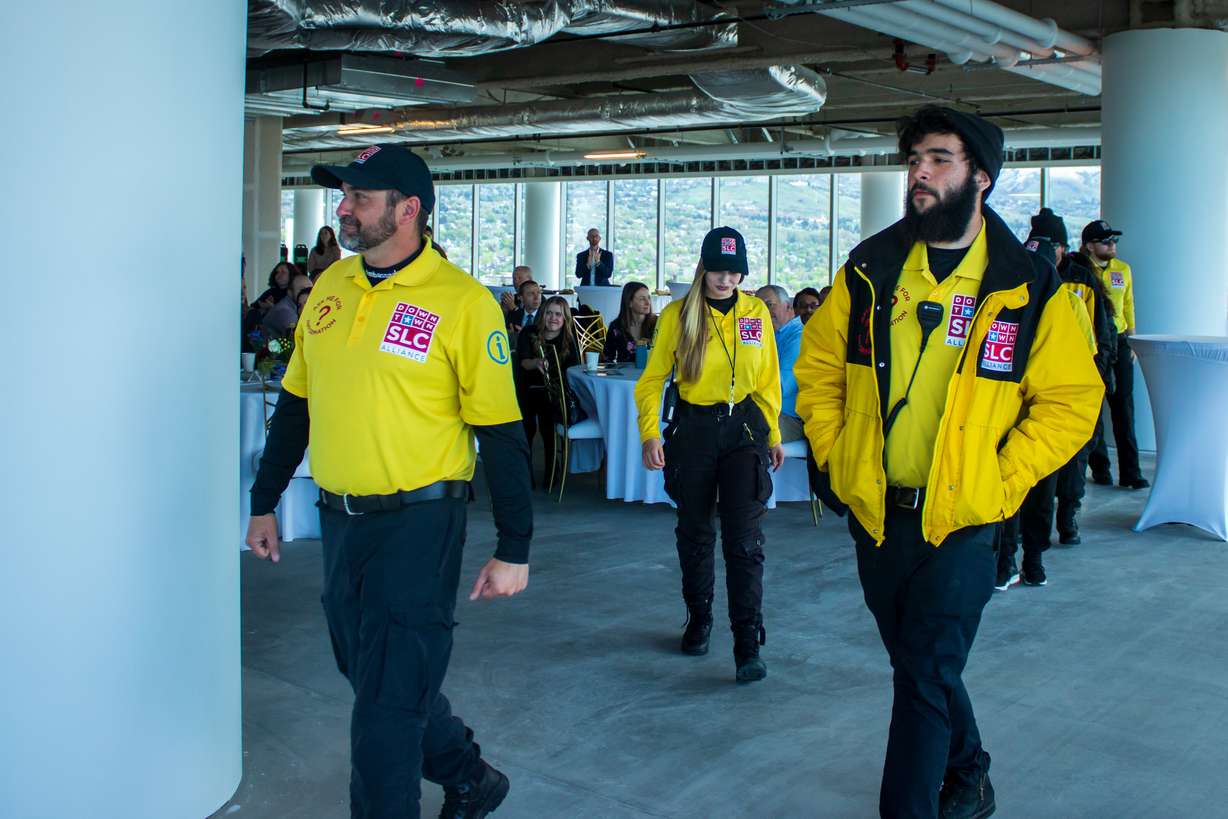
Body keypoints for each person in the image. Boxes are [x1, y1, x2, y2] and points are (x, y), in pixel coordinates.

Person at [794, 106, 1103, 818]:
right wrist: (839, 455)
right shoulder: (871, 268)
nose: (920, 174)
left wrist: (1002, 476)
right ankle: (971, 769)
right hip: (877, 513)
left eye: (938, 160)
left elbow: (1070, 403)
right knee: (919, 667)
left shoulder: (1028, 286)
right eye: (914, 161)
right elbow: (817, 370)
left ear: (981, 178)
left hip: (963, 519)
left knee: (924, 674)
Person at [245, 143, 531, 819]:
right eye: (343, 195)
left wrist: (514, 545)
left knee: (382, 714)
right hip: (342, 521)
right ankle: (469, 773)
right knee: (374, 675)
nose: (342, 208)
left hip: (420, 523)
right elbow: (298, 403)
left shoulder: (462, 303)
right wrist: (264, 501)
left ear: (408, 210)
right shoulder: (334, 289)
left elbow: (502, 433)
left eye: (359, 198)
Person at [636, 226, 784, 684]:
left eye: (734, 272)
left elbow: (768, 377)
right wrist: (649, 434)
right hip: (694, 431)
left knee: (744, 541)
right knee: (696, 534)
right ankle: (699, 618)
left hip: (744, 431)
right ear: (703, 269)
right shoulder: (679, 316)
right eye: (718, 271)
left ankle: (746, 644)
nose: (726, 280)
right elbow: (651, 380)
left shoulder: (756, 312)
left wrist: (774, 431)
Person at [1082, 220, 1149, 490]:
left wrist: (1132, 338)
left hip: (1119, 342)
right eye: (1106, 242)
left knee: (1123, 407)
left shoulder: (1123, 269)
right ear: (1089, 246)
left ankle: (1131, 472)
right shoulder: (1081, 272)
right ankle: (1100, 468)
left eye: (1114, 241)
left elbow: (1129, 303)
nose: (1112, 246)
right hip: (1093, 346)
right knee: (1094, 409)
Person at [516, 296, 582, 486]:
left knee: (548, 425)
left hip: (554, 391)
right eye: (550, 313)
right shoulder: (529, 332)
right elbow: (524, 362)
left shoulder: (569, 340)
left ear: (565, 318)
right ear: (543, 315)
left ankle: (552, 469)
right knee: (526, 427)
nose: (553, 318)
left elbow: (573, 369)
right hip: (529, 388)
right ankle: (524, 470)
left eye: (558, 314)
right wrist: (537, 362)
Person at [756, 285, 806, 443]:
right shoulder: (773, 334)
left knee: (742, 431)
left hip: (788, 419)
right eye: (758, 306)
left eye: (769, 305)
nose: (764, 311)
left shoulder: (799, 337)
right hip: (768, 410)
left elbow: (781, 387)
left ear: (788, 306)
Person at [602, 281, 657, 363]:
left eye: (648, 297)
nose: (648, 302)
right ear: (629, 303)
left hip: (652, 374)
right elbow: (607, 358)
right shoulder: (616, 327)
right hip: (624, 374)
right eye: (642, 299)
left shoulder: (657, 323)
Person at [261, 273, 312, 338]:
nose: (308, 292)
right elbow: (301, 337)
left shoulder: (292, 306)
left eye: (310, 288)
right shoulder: (284, 312)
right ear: (290, 292)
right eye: (302, 289)